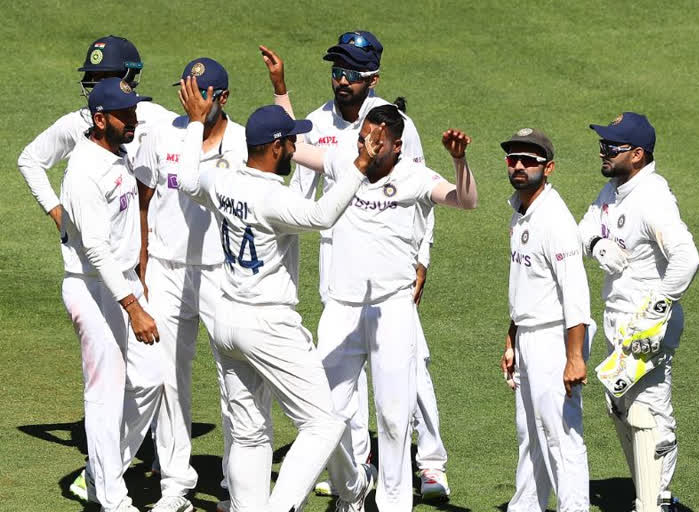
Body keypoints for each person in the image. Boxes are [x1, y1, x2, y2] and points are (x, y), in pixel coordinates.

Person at [175, 76, 378, 512]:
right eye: (290, 143)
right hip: (268, 323)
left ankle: (341, 493)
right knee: (322, 423)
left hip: (226, 320)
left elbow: (187, 179)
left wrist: (195, 124)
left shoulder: (222, 181)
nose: (294, 150)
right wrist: (360, 166)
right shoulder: (273, 199)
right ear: (274, 148)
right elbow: (324, 215)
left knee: (249, 432)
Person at [274, 78, 477, 508]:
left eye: (377, 142)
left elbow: (465, 201)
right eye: (364, 138)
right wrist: (280, 89)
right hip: (341, 308)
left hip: (391, 311)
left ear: (397, 147)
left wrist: (459, 161)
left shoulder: (415, 177)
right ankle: (352, 486)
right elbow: (291, 145)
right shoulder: (342, 163)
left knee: (392, 415)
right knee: (323, 414)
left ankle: (394, 503)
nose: (367, 147)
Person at [132, 57, 246, 512]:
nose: (189, 101)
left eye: (198, 94)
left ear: (222, 98)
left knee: (235, 379)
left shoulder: (243, 142)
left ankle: (238, 485)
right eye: (185, 91)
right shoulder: (162, 133)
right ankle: (176, 486)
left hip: (223, 271)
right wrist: (140, 259)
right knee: (167, 380)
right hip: (166, 269)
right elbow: (142, 196)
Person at [578, 113, 699, 512]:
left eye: (612, 146)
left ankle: (656, 502)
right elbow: (584, 228)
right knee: (619, 407)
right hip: (619, 322)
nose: (603, 150)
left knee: (647, 412)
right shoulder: (613, 190)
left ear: (637, 154)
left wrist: (658, 310)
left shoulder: (653, 198)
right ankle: (651, 496)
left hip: (648, 328)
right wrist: (598, 244)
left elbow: (687, 259)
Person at [58, 77, 163, 512]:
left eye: (134, 112)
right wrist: (133, 305)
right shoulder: (83, 172)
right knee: (104, 395)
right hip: (94, 288)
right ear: (100, 120)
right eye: (125, 115)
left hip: (122, 284)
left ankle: (102, 476)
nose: (133, 120)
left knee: (152, 377)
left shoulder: (116, 152)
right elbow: (97, 251)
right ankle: (113, 501)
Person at [498, 128, 594, 512]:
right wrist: (512, 339)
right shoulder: (521, 211)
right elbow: (524, 284)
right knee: (530, 434)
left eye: (529, 161)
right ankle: (526, 506)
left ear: (548, 168)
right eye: (513, 159)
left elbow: (576, 296)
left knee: (560, 435)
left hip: (555, 339)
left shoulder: (554, 220)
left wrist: (575, 358)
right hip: (529, 336)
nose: (519, 166)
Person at [18, 35, 175, 235]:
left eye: (104, 77)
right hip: (106, 241)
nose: (96, 84)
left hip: (155, 237)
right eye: (94, 77)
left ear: (128, 76)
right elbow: (30, 159)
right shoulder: (79, 121)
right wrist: (57, 212)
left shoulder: (158, 118)